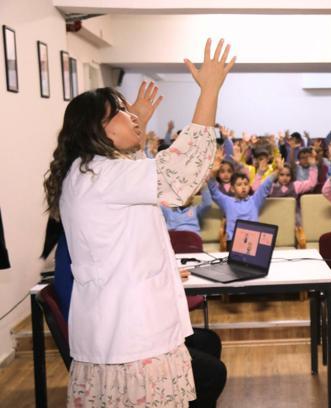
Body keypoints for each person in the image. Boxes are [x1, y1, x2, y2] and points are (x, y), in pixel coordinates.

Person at [43, 38, 234, 407]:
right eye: (119, 112)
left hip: (117, 323)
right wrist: (209, 91)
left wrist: (134, 125)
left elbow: (135, 178)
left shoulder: (88, 171)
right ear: (96, 129)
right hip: (130, 330)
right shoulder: (102, 175)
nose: (132, 115)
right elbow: (178, 172)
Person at [208, 155, 279, 249]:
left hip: (252, 240)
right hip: (233, 241)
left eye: (246, 184)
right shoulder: (227, 202)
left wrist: (279, 170)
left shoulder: (254, 200)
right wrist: (213, 172)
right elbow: (213, 190)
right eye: (239, 185)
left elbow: (266, 185)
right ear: (232, 189)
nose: (243, 187)